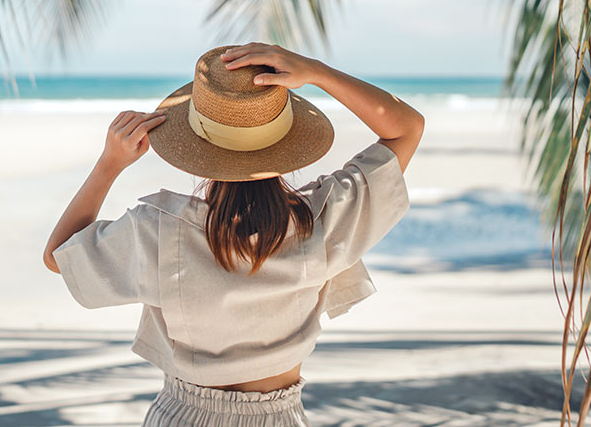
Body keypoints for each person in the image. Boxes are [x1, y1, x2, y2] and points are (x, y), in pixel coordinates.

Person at [43, 42, 424, 426]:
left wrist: (109, 164)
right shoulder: (322, 220)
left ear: (196, 144)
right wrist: (317, 72)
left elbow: (59, 255)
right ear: (287, 137)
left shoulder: (158, 228)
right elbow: (406, 128)